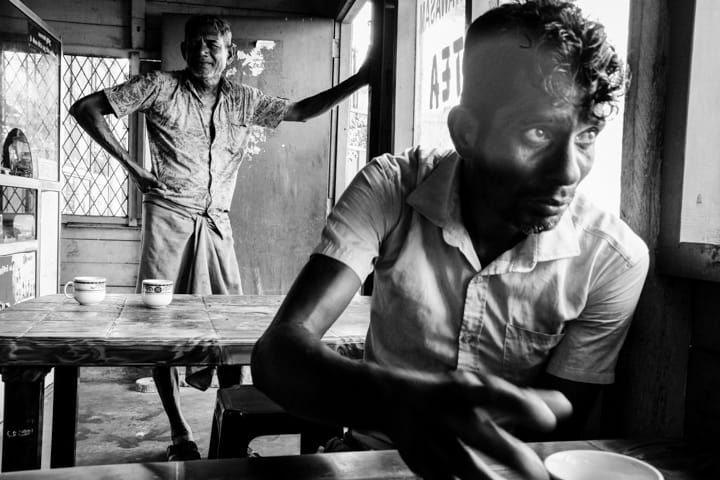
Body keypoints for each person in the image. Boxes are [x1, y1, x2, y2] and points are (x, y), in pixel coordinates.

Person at [251, 1, 650, 478]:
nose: (569, 170)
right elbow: (278, 354)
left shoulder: (613, 258)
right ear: (467, 133)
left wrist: (502, 419)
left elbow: (563, 408)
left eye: (587, 135)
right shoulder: (392, 189)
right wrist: (397, 402)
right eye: (538, 131)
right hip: (373, 458)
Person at [69, 15, 372, 461]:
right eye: (193, 44)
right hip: (168, 219)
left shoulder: (243, 99)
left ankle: (229, 427)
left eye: (212, 44)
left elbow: (303, 112)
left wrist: (361, 80)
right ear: (184, 50)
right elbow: (85, 108)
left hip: (216, 225)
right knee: (160, 329)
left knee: (229, 332)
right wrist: (133, 169)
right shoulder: (159, 86)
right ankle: (180, 433)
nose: (202, 52)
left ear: (229, 52)